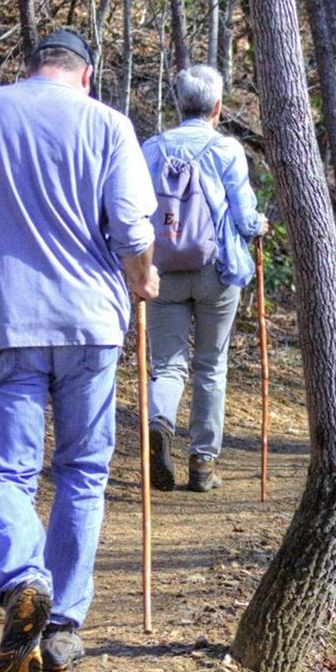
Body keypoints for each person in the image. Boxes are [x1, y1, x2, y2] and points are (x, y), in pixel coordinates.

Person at [0, 29, 159, 672]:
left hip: (3, 318)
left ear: (33, 68)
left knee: (7, 472)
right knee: (82, 469)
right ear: (84, 75)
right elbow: (132, 230)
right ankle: (62, 627)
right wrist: (141, 278)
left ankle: (24, 579)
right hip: (89, 322)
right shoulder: (109, 124)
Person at [141, 65, 268, 493]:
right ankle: (202, 463)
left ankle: (160, 422)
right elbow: (245, 217)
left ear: (178, 105)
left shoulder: (151, 148)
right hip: (217, 271)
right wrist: (259, 226)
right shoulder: (227, 150)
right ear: (217, 106)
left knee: (166, 365)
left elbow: (137, 211)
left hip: (162, 271)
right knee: (211, 365)